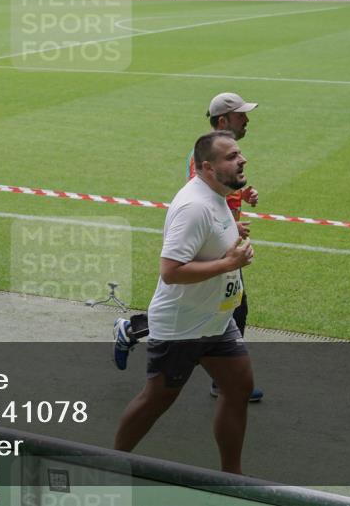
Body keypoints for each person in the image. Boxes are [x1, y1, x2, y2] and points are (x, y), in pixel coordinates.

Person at [113, 131, 255, 475]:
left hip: (215, 321)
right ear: (207, 168)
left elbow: (208, 239)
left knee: (238, 387)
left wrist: (231, 233)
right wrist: (229, 263)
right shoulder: (194, 207)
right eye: (231, 156)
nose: (242, 160)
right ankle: (110, 463)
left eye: (239, 154)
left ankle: (232, 477)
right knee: (157, 400)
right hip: (183, 327)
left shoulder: (217, 195)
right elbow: (171, 271)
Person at [113, 92, 264, 402]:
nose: (247, 119)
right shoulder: (206, 156)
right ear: (223, 120)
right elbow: (203, 198)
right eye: (240, 115)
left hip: (224, 240)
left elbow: (222, 194)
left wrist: (243, 196)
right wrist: (224, 231)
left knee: (222, 305)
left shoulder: (225, 153)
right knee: (224, 307)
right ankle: (134, 332)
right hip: (211, 244)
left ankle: (224, 379)